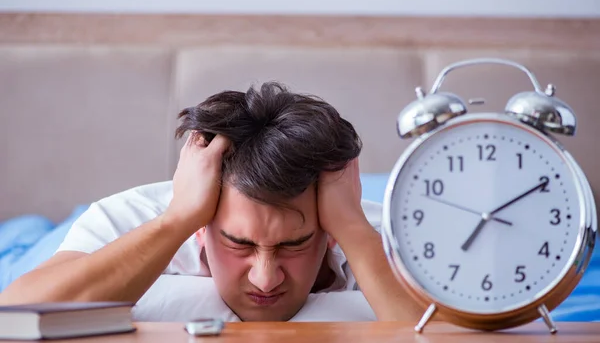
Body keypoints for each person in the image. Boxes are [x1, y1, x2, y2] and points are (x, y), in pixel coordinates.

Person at [0, 82, 421, 322]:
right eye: (240, 244)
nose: (265, 279)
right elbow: (16, 312)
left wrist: (352, 232)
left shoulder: (382, 233)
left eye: (293, 245)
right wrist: (177, 220)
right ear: (202, 226)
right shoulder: (131, 216)